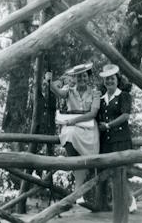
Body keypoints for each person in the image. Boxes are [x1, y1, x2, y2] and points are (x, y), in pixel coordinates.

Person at [45, 63, 101, 202]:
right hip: (72, 127)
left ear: (88, 77)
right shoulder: (69, 90)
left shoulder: (95, 93)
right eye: (78, 76)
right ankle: (73, 168)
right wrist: (50, 81)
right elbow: (57, 92)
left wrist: (75, 120)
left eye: (84, 75)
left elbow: (93, 113)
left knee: (82, 155)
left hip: (88, 128)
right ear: (74, 78)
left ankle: (78, 191)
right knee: (69, 134)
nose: (81, 78)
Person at [97, 64, 137, 214]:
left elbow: (125, 116)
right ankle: (120, 203)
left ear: (117, 79)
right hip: (106, 142)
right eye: (107, 79)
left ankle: (130, 200)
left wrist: (108, 125)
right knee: (109, 173)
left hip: (120, 140)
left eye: (112, 79)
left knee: (121, 172)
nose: (109, 81)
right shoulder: (100, 99)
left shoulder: (124, 96)